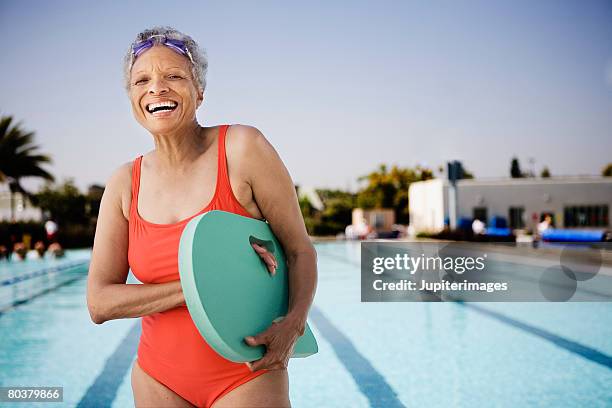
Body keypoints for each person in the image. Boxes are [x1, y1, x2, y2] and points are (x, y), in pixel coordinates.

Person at [86, 26, 317, 408]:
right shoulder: (125, 183)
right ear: (131, 97)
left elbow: (299, 251)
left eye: (174, 76)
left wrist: (293, 324)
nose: (156, 88)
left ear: (199, 91)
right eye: (142, 80)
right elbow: (100, 302)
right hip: (158, 378)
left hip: (245, 373)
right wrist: (205, 285)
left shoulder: (242, 149)